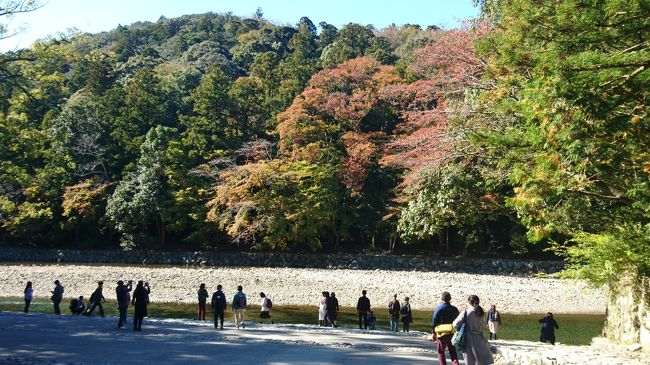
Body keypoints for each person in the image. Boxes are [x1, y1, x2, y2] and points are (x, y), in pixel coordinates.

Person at [453, 295, 494, 365]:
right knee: (481, 361)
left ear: (469, 302)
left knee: (470, 361)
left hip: (469, 339)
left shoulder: (466, 312)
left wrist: (461, 329)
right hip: (481, 338)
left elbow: (455, 324)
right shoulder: (481, 312)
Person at [432, 291, 461, 365]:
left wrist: (433, 332)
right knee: (452, 351)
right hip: (452, 332)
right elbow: (459, 321)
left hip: (441, 333)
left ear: (442, 299)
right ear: (450, 299)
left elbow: (434, 321)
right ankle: (455, 363)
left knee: (441, 352)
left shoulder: (438, 308)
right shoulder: (454, 309)